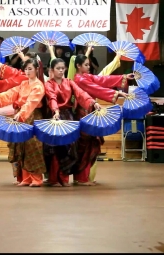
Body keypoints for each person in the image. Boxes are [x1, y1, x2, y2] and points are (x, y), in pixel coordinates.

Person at [67, 49, 134, 185]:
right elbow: (97, 89)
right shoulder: (79, 79)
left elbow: (101, 79)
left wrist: (124, 77)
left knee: (90, 144)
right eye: (86, 65)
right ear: (78, 66)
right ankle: (81, 178)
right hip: (84, 113)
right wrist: (117, 94)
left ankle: (85, 177)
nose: (89, 66)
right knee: (85, 145)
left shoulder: (85, 76)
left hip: (90, 111)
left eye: (89, 64)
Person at [0, 58, 46, 187]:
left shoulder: (38, 85)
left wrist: (21, 114)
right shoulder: (24, 84)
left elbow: (31, 102)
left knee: (32, 146)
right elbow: (11, 93)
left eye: (30, 68)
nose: (27, 71)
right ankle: (25, 178)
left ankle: (36, 178)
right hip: (20, 115)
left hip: (32, 116)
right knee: (20, 145)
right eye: (26, 69)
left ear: (37, 69)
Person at [44, 58, 101, 187]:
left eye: (62, 68)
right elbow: (52, 97)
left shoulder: (69, 82)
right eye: (58, 68)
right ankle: (53, 178)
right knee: (54, 148)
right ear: (52, 70)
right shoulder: (49, 84)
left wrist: (93, 102)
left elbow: (81, 94)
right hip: (55, 116)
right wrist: (55, 111)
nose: (60, 70)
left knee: (69, 147)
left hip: (68, 117)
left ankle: (63, 179)